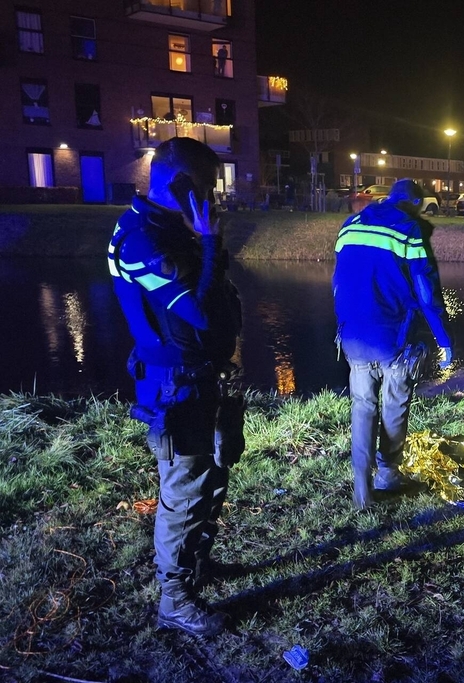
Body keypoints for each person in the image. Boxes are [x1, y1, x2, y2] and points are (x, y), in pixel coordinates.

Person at [108, 137, 244, 637]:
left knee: (210, 478)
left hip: (199, 378)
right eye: (208, 187)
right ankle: (175, 599)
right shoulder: (143, 239)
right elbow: (200, 313)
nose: (213, 198)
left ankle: (195, 569)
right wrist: (210, 240)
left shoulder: (167, 228)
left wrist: (208, 243)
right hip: (174, 386)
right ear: (182, 183)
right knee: (184, 490)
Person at [333, 179, 453, 510]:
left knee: (362, 406)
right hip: (392, 338)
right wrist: (444, 339)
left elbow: (340, 280)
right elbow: (427, 294)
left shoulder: (350, 224)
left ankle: (361, 486)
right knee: (395, 403)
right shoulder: (409, 229)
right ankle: (387, 472)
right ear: (414, 203)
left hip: (351, 335)